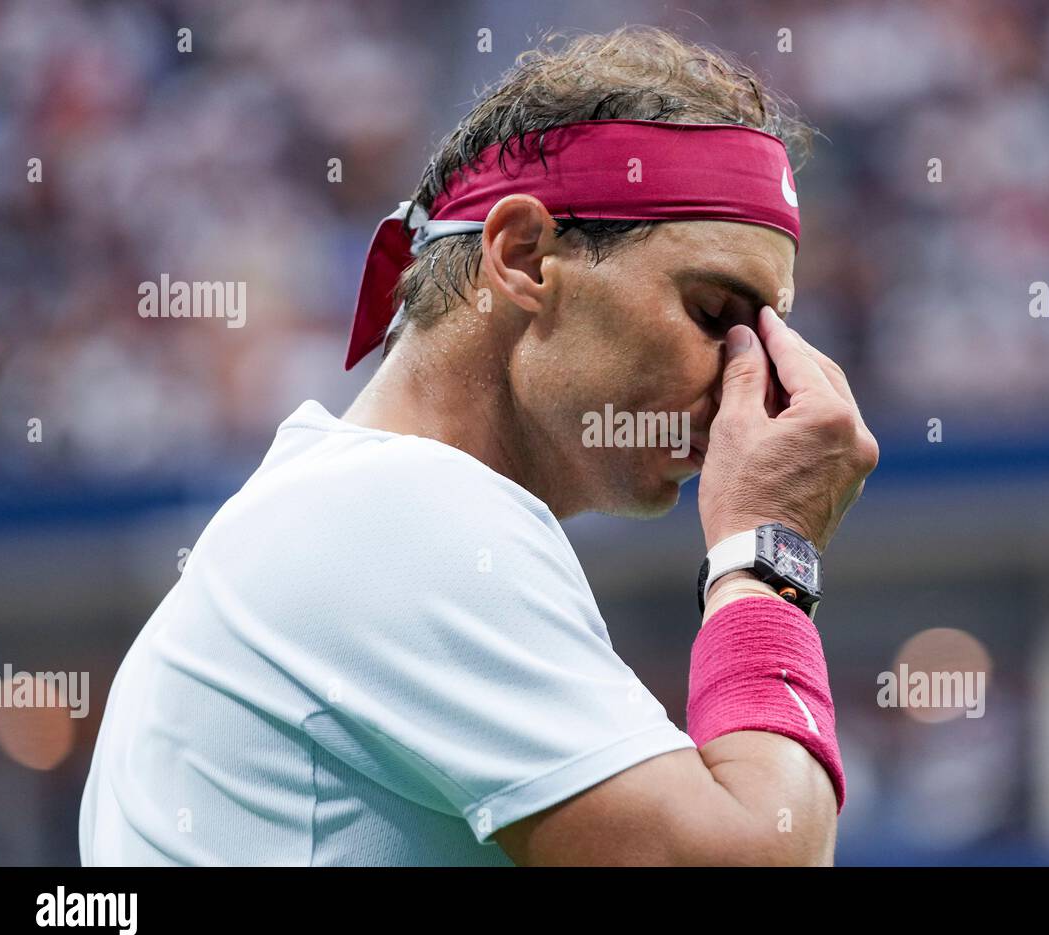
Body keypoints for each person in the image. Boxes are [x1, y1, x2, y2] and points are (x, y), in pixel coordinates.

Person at [79, 26, 878, 866]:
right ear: (523, 255)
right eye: (716, 314)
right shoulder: (400, 513)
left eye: (768, 332)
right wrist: (768, 555)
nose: (755, 381)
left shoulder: (338, 505)